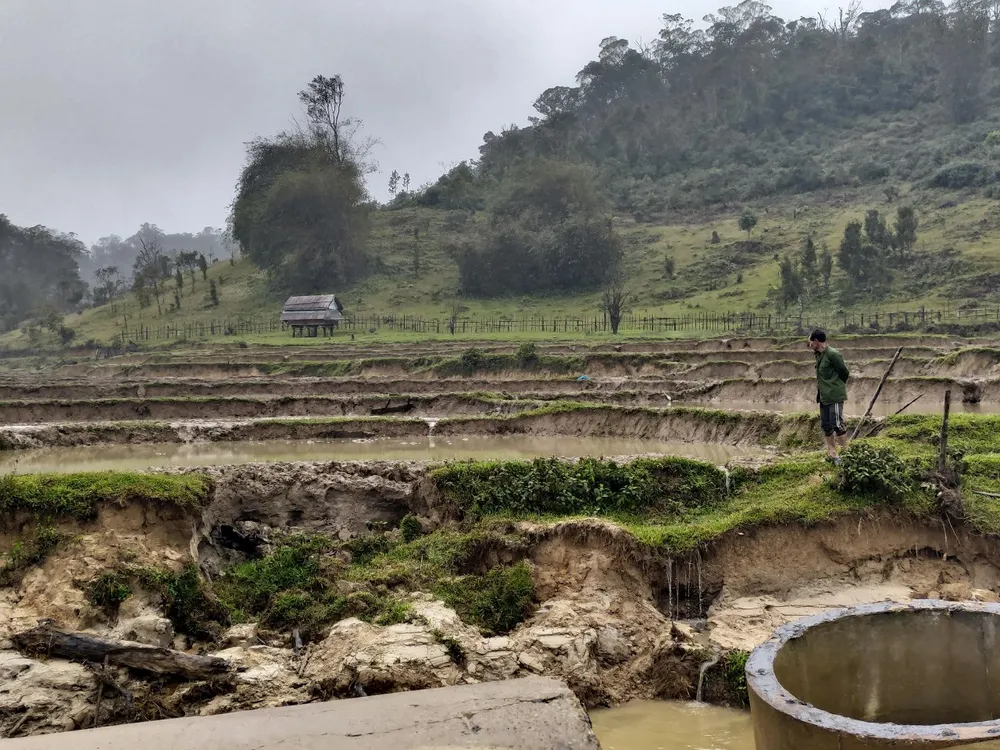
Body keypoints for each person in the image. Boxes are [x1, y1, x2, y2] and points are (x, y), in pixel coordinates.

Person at [808, 329, 850, 463]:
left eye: (810, 342)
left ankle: (847, 454)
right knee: (826, 425)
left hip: (834, 395)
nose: (809, 345)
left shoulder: (833, 354)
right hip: (824, 395)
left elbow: (844, 372)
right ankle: (832, 453)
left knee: (837, 424)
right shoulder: (819, 355)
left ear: (816, 341)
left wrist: (835, 386)